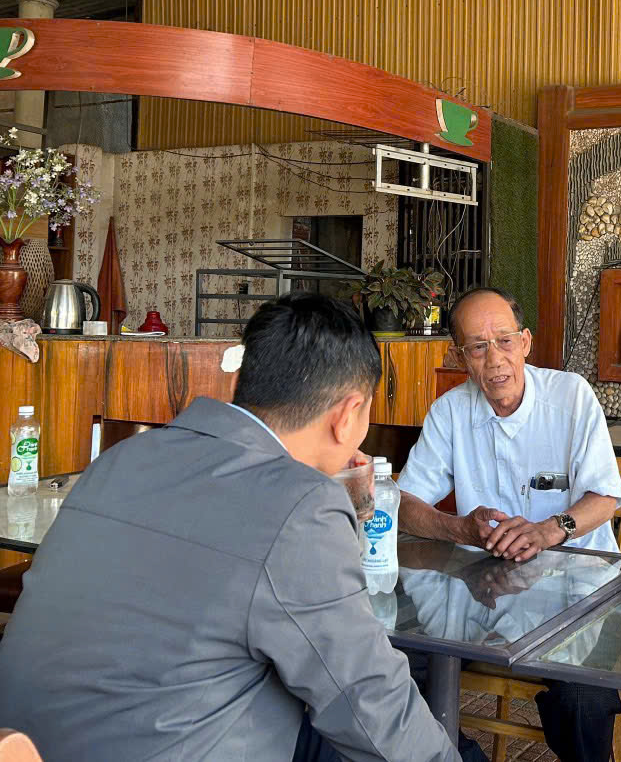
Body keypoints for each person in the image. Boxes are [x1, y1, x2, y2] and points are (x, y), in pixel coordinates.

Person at [0, 293, 458, 762]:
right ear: (347, 416)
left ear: (240, 381)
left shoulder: (120, 460)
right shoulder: (301, 506)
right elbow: (369, 705)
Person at [396, 286, 621, 762]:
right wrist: (459, 529)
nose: (495, 359)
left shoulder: (570, 397)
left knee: (583, 700)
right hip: (477, 591)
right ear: (460, 357)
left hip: (574, 589)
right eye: (478, 347)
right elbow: (404, 502)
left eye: (504, 341)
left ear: (525, 342)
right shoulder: (450, 411)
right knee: (393, 669)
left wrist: (549, 530)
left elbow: (606, 497)